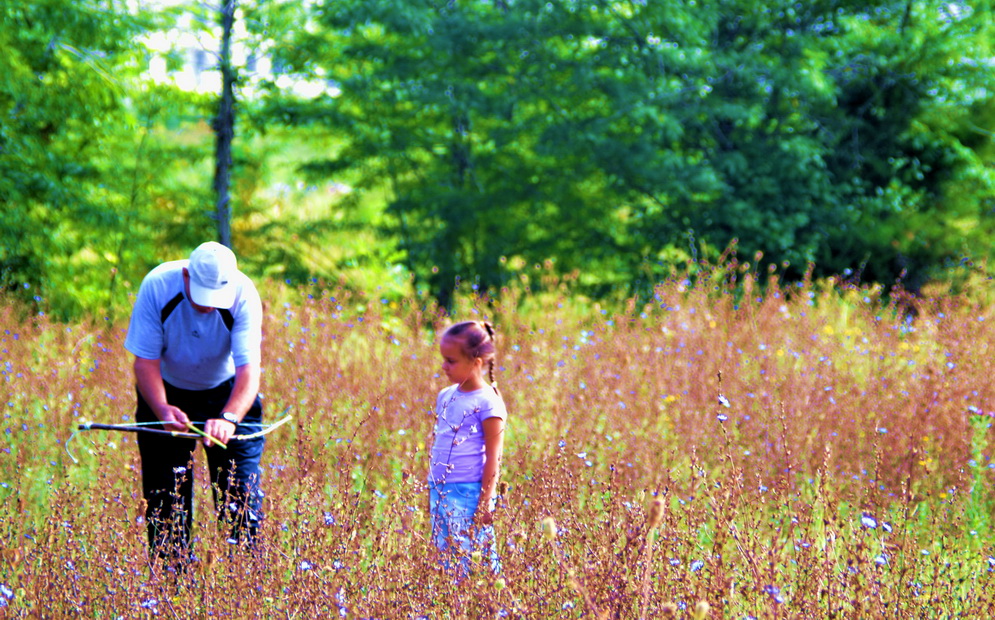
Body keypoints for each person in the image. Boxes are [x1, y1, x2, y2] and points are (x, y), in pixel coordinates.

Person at [124, 241, 266, 570]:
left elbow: (249, 371)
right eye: (202, 295)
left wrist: (228, 418)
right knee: (165, 506)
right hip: (167, 394)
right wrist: (161, 410)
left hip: (228, 395)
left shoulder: (244, 294)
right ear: (187, 275)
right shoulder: (158, 286)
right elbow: (144, 363)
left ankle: (246, 586)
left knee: (240, 499)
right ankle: (174, 588)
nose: (208, 307)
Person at [427, 320, 508, 575]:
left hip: (469, 494)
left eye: (451, 361)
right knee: (445, 561)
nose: (444, 366)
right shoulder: (445, 395)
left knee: (473, 562)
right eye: (443, 359)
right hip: (439, 490)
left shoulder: (488, 403)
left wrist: (485, 503)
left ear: (476, 362)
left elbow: (494, 458)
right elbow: (439, 441)